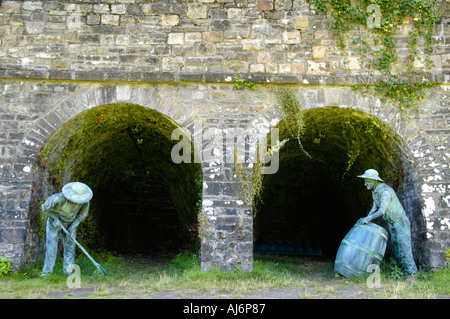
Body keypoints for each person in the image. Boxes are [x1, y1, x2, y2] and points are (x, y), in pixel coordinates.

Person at [356, 169, 418, 277]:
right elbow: (374, 207)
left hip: (400, 222)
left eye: (367, 181)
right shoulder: (374, 191)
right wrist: (366, 218)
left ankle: (412, 274)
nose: (365, 184)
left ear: (374, 181)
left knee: (404, 247)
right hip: (392, 222)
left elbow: (382, 210)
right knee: (396, 248)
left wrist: (368, 219)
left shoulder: (385, 191)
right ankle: (403, 272)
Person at [40, 182, 93, 277]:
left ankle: (68, 272)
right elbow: (44, 209)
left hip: (71, 223)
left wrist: (72, 227)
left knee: (70, 248)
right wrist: (54, 218)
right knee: (51, 247)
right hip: (55, 223)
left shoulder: (85, 201)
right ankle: (47, 273)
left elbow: (82, 215)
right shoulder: (57, 199)